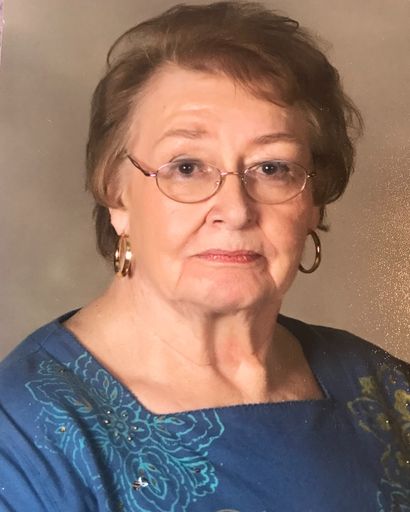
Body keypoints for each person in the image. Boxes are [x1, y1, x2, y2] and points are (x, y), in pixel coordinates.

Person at [1, 2, 409, 511]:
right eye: (187, 167)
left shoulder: (387, 389)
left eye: (272, 168)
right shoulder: (22, 439)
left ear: (313, 202)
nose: (235, 210)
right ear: (115, 194)